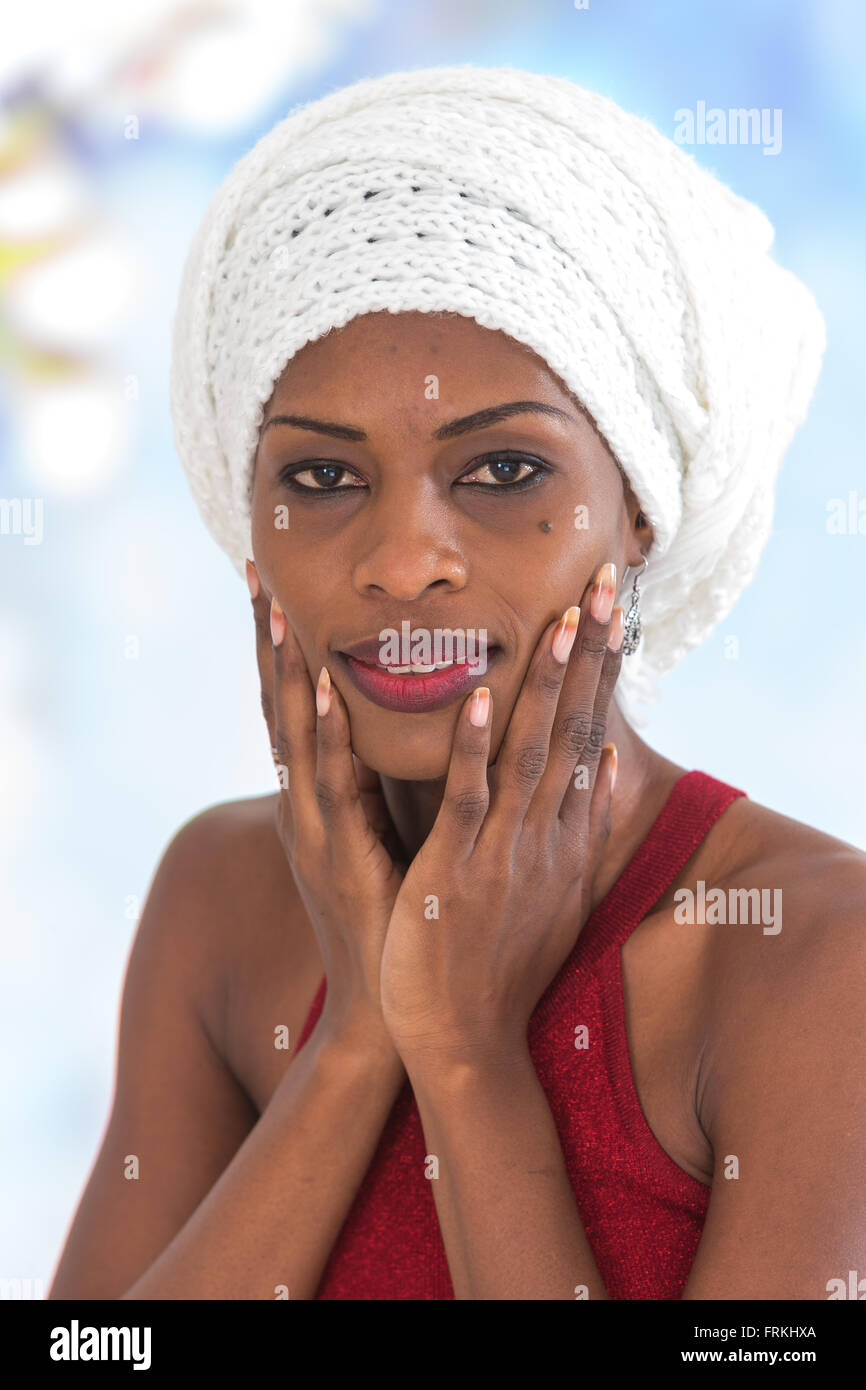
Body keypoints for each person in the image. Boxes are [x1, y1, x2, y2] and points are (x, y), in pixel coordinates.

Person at [49, 65, 865, 1301]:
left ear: (635, 509)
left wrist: (469, 1059)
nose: (399, 564)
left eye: (499, 470)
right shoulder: (220, 902)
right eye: (321, 479)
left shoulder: (811, 953)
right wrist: (352, 1043)